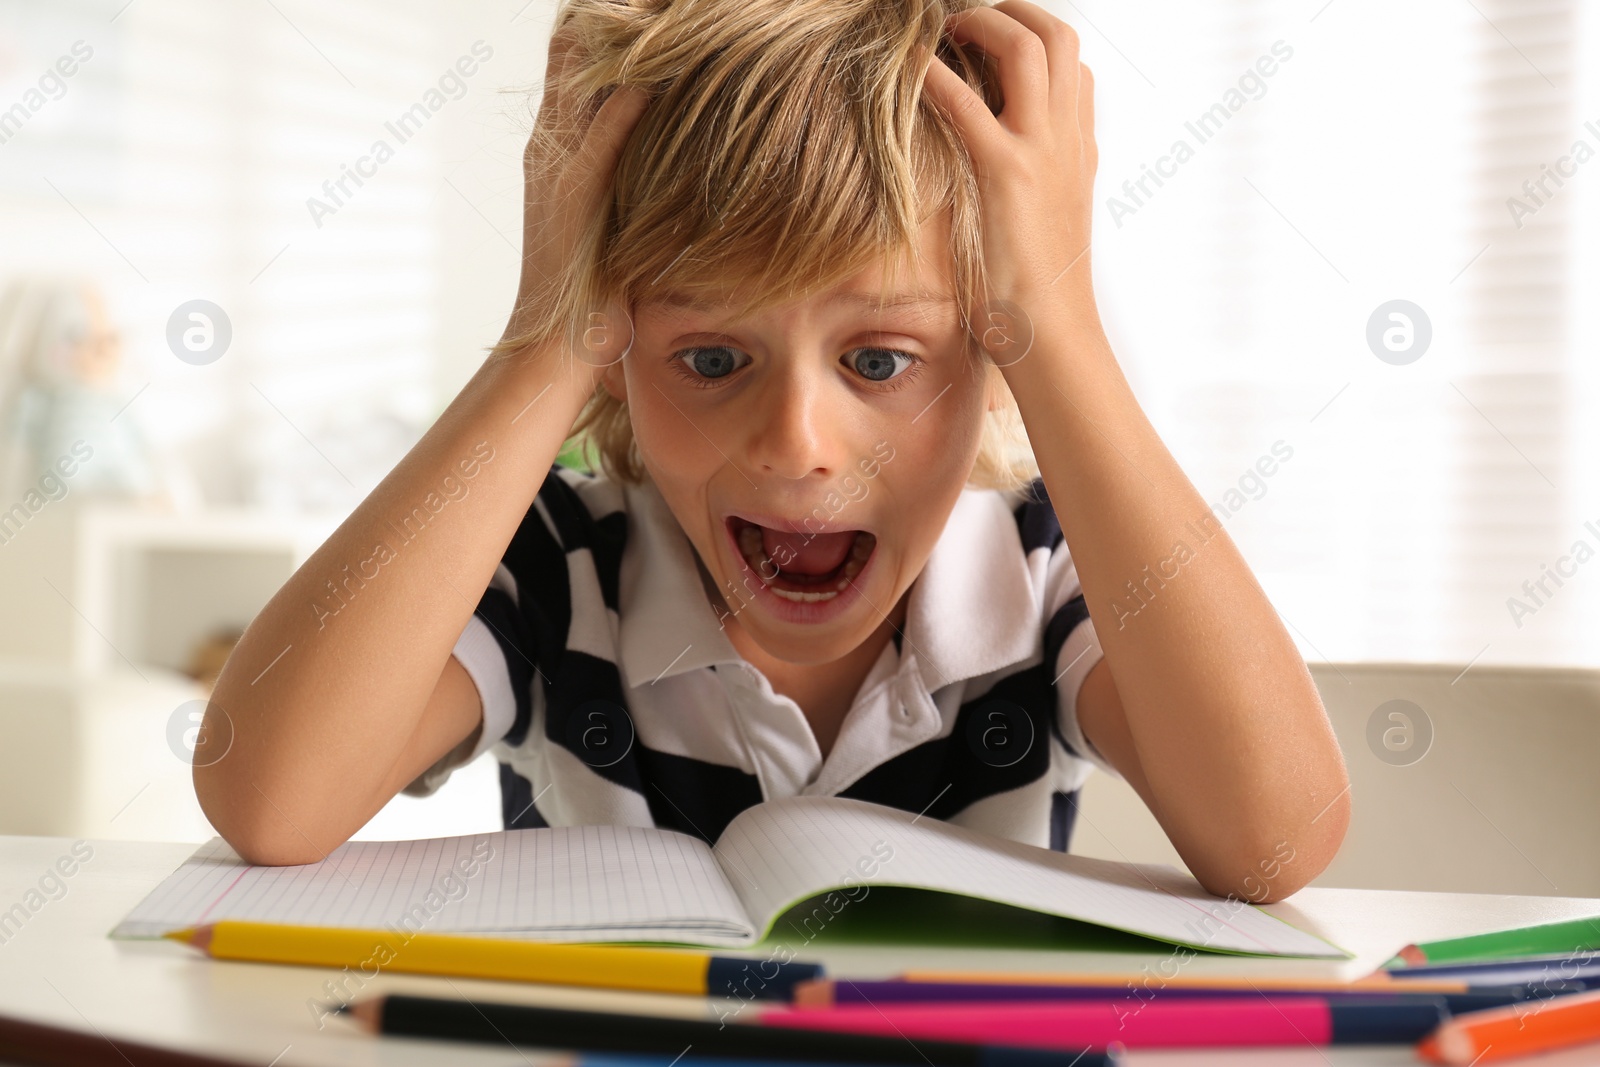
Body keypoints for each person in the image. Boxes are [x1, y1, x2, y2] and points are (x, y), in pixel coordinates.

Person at [197, 0, 1349, 902]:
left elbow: (1277, 837)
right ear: (618, 351)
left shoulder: (1045, 572)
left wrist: (1061, 329)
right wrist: (541, 343)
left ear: (992, 350)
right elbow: (270, 796)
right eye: (709, 358)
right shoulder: (555, 566)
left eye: (881, 360)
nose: (798, 445)